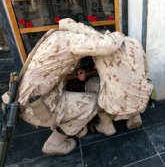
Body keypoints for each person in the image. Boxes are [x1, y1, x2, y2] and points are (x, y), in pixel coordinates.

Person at [2, 18, 125, 155]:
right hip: (37, 108)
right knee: (94, 102)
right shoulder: (73, 39)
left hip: (25, 100)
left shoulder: (54, 36)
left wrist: (78, 69)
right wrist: (119, 35)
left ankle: (74, 125)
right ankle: (55, 143)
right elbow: (108, 46)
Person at [71, 25, 154, 136]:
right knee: (135, 83)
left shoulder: (99, 48)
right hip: (142, 98)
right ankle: (134, 116)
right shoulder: (135, 42)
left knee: (91, 83)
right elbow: (145, 69)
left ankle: (106, 124)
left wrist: (81, 71)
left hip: (116, 103)